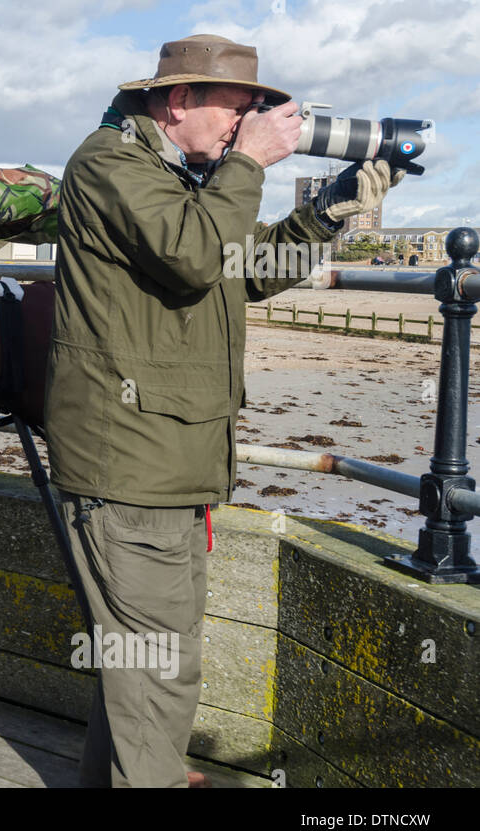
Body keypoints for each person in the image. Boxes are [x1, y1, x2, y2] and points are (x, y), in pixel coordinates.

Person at [45, 34, 403, 787]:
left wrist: (328, 212)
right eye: (237, 112)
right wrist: (249, 164)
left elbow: (243, 268)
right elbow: (194, 253)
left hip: (164, 456)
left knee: (141, 664)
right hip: (132, 463)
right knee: (160, 671)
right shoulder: (110, 165)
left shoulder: (177, 173)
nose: (245, 129)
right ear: (180, 101)